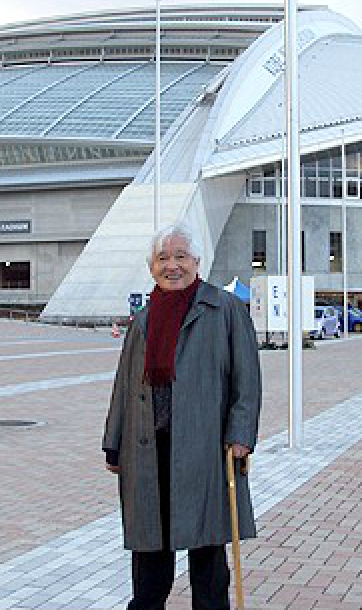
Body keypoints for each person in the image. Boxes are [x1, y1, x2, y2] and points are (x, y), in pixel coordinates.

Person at [103, 223, 262, 610]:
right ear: (151, 267)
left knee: (207, 551)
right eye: (162, 258)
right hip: (148, 452)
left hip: (204, 448)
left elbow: (247, 379)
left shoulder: (223, 309)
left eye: (180, 257)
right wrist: (114, 444)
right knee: (148, 551)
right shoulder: (143, 320)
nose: (172, 266)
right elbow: (124, 385)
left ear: (196, 262)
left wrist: (240, 434)